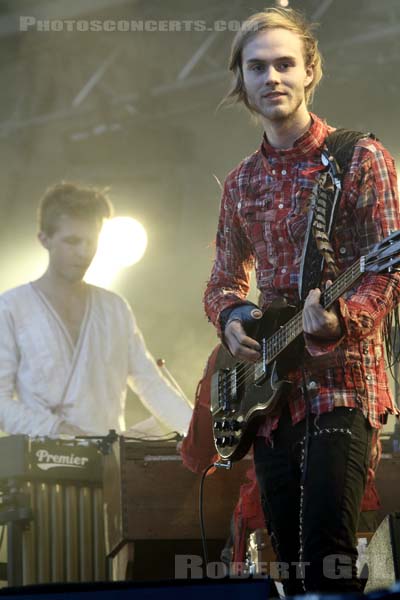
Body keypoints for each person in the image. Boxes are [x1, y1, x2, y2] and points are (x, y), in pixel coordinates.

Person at [203, 7, 400, 594]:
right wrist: (234, 318)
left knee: (327, 554)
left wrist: (341, 319)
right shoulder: (240, 182)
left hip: (343, 381)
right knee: (288, 567)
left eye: (285, 64)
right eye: (258, 67)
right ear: (241, 80)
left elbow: (385, 275)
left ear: (310, 71)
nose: (273, 78)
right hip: (269, 397)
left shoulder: (358, 159)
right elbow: (222, 284)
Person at [0, 182, 192, 437]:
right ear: (44, 239)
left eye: (91, 242)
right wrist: (56, 428)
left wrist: (201, 431)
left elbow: (151, 384)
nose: (83, 252)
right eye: (72, 241)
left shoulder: (115, 308)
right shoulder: (11, 307)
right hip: (40, 464)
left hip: (110, 464)